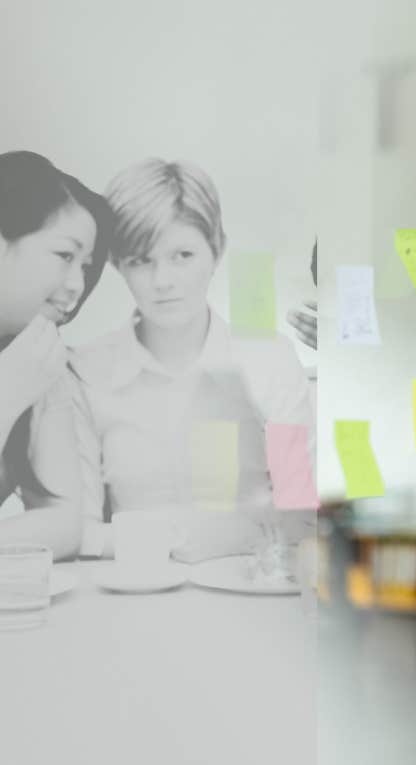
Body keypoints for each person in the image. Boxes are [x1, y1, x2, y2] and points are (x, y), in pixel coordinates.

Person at [69, 158, 314, 558]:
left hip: (251, 601)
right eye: (140, 261)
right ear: (117, 264)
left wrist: (152, 536)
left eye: (182, 255)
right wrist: (213, 533)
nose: (162, 280)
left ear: (217, 251)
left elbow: (302, 514)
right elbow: (78, 534)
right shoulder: (86, 371)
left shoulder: (269, 359)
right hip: (130, 600)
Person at [0, 150, 112, 559]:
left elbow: (64, 526)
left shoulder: (38, 358)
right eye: (65, 256)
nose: (77, 285)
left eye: (86, 266)